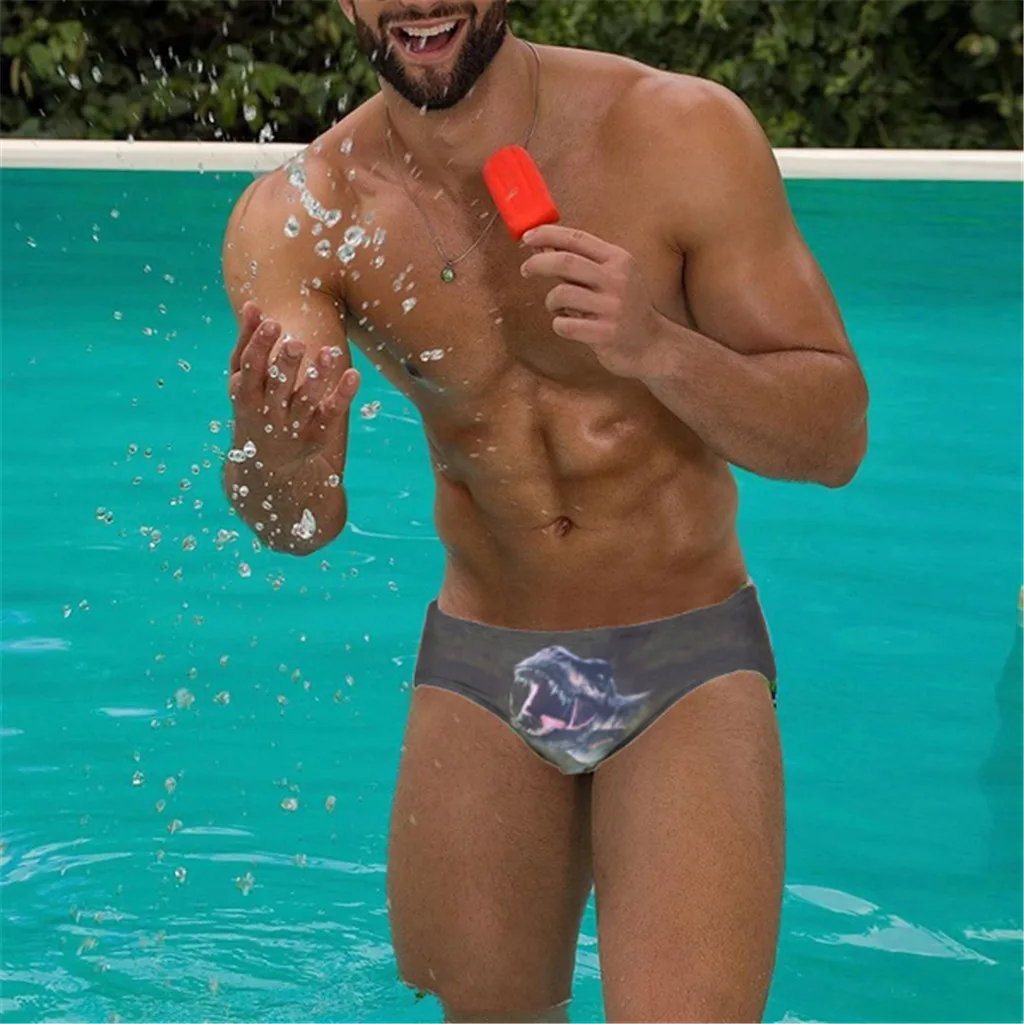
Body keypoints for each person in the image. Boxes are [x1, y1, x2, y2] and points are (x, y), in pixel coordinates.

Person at [220, 1, 869, 1020]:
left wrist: (656, 346)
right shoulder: (302, 214)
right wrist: (275, 453)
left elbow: (834, 439)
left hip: (684, 660)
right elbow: (296, 525)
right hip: (483, 669)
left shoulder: (675, 132)